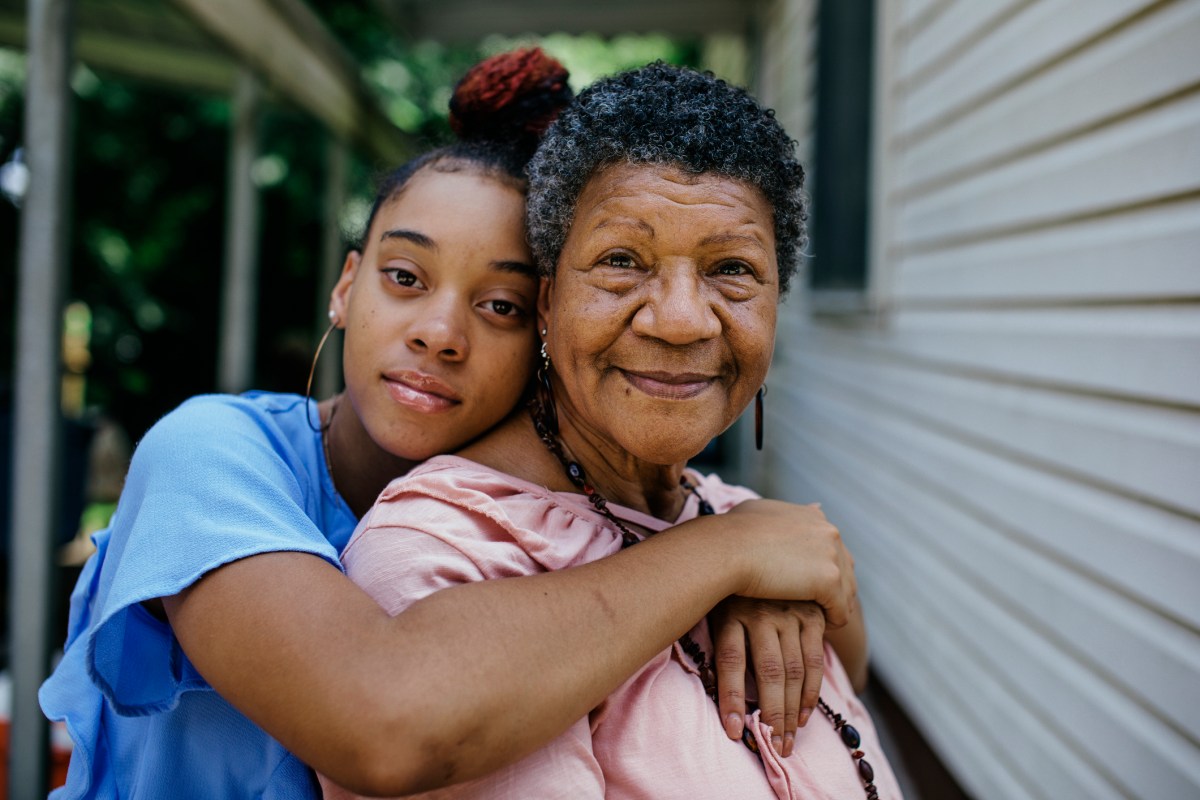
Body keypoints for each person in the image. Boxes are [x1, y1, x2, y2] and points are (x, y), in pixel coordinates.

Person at [40, 51, 860, 799]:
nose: (440, 331)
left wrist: (762, 582)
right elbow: (381, 719)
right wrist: (729, 551)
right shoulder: (214, 454)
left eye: (498, 305)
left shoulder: (568, 512)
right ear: (345, 286)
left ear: (545, 327)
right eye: (404, 276)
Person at [321, 62, 897, 800]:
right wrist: (728, 555)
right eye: (622, 261)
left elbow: (853, 667)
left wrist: (771, 567)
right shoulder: (444, 554)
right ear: (548, 304)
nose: (683, 318)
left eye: (732, 269)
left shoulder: (742, 522)